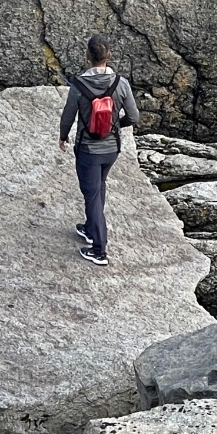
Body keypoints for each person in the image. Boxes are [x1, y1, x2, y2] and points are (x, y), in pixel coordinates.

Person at [58, 35, 140, 266]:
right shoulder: (121, 84)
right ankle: (89, 227)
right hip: (112, 148)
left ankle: (99, 249)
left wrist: (63, 137)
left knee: (92, 194)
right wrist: (114, 127)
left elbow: (68, 117)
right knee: (98, 187)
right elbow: (133, 117)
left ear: (87, 56)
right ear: (109, 56)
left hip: (88, 149)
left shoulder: (78, 85)